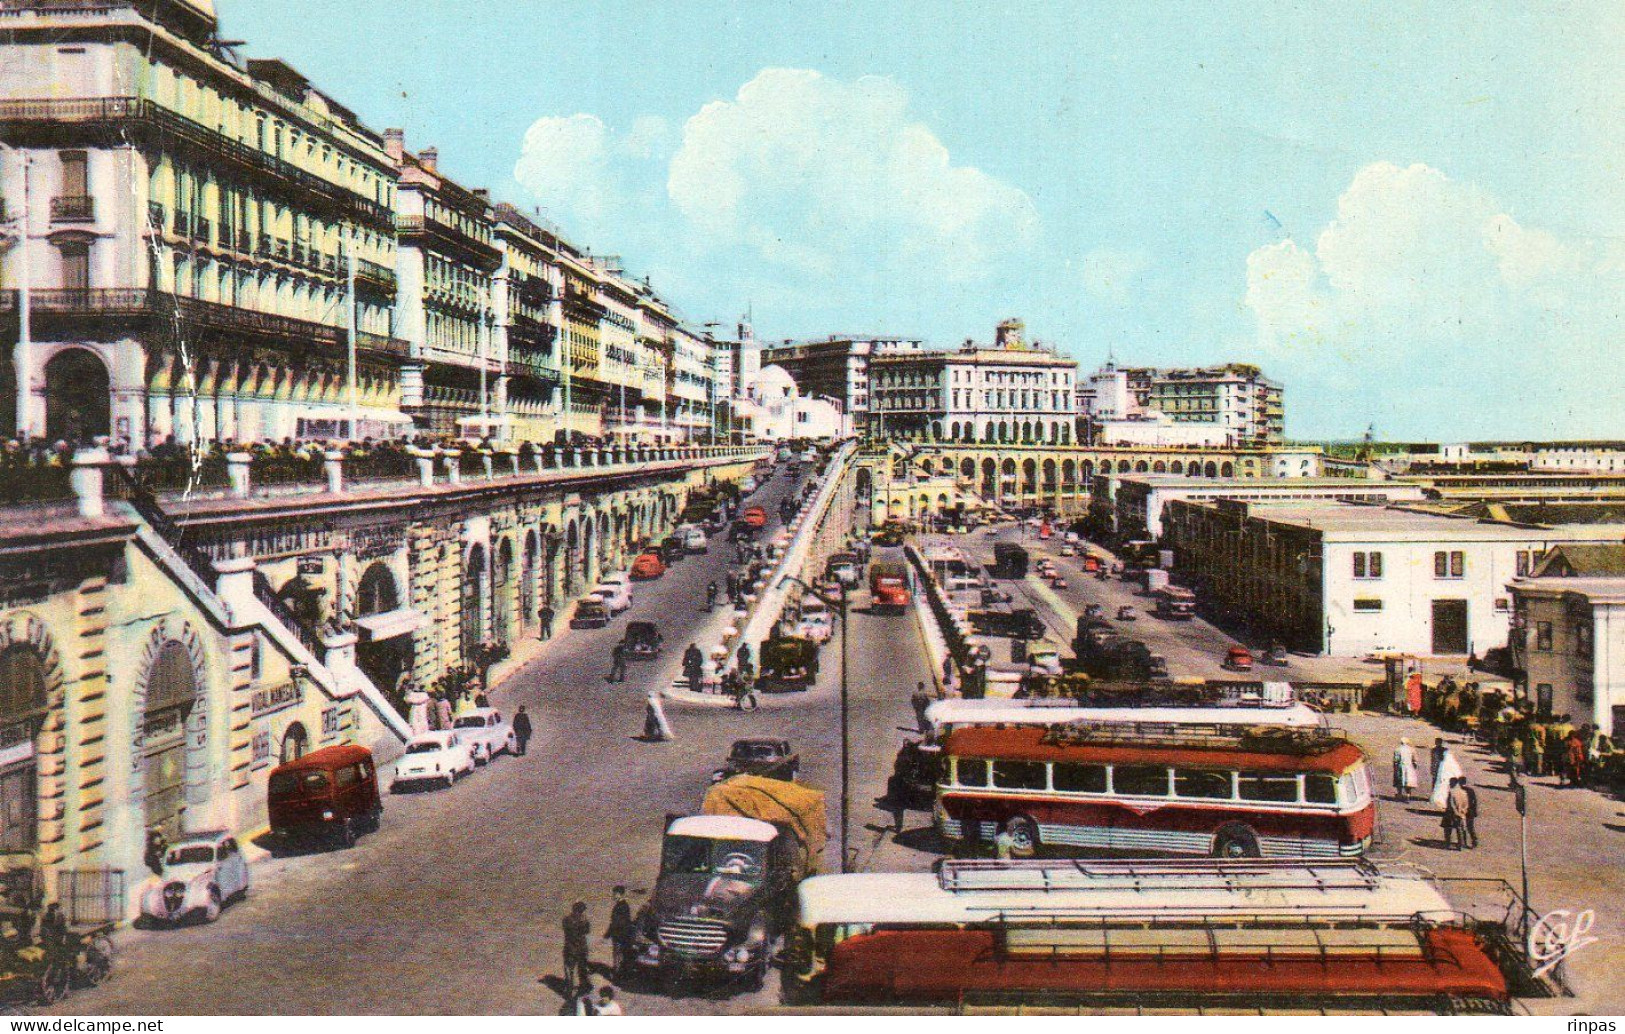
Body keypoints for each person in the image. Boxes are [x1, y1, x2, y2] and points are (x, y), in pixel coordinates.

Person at [562, 902, 592, 998]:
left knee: (569, 970)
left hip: (570, 948)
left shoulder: (566, 920)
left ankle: (570, 990)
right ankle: (584, 987)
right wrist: (584, 922)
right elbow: (587, 930)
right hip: (581, 948)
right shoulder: (582, 920)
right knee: (582, 969)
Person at [605, 886, 635, 975]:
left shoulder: (622, 906)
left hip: (620, 935)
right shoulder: (622, 905)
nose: (613, 896)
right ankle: (619, 972)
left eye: (615, 894)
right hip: (621, 934)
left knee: (618, 955)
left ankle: (617, 973)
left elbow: (617, 922)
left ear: (620, 894)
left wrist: (608, 934)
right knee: (619, 955)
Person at [1443, 777, 1470, 850]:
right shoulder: (1464, 793)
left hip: (1451, 814)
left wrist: (1456, 812)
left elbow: (1451, 804)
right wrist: (1463, 811)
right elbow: (1466, 804)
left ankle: (1448, 844)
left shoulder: (1451, 792)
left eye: (1450, 783)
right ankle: (1460, 845)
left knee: (1448, 829)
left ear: (1452, 783)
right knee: (1460, 829)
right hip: (1461, 813)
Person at [1462, 777, 1480, 848]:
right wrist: (1475, 811)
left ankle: (1464, 842)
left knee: (1463, 827)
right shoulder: (1470, 790)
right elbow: (1474, 802)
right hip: (1469, 811)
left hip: (1463, 811)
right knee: (1470, 827)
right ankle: (1473, 840)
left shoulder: (1459, 790)